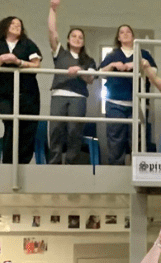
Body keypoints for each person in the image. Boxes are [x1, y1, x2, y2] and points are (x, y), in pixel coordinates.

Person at [0, 16, 42, 164]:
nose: (17, 26)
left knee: (28, 128)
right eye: (13, 23)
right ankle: (9, 164)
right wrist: (2, 58)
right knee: (10, 124)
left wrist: (18, 62)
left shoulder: (27, 44)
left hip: (28, 93)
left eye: (19, 24)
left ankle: (23, 164)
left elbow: (36, 65)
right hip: (5, 93)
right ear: (5, 26)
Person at [46, 0, 97, 165]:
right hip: (59, 95)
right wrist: (53, 9)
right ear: (68, 39)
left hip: (78, 97)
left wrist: (79, 71)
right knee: (55, 130)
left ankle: (71, 163)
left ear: (83, 42)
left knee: (74, 131)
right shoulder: (60, 53)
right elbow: (52, 31)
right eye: (74, 36)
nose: (77, 39)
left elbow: (90, 79)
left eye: (80, 37)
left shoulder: (88, 60)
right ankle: (54, 163)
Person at [100, 25, 157, 165]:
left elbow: (153, 72)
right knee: (115, 140)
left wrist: (137, 64)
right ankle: (115, 171)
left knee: (137, 139)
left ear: (133, 36)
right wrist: (113, 65)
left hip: (137, 104)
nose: (125, 34)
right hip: (115, 104)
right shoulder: (112, 55)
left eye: (128, 32)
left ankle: (136, 170)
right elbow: (100, 73)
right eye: (122, 32)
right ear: (118, 37)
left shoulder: (143, 54)